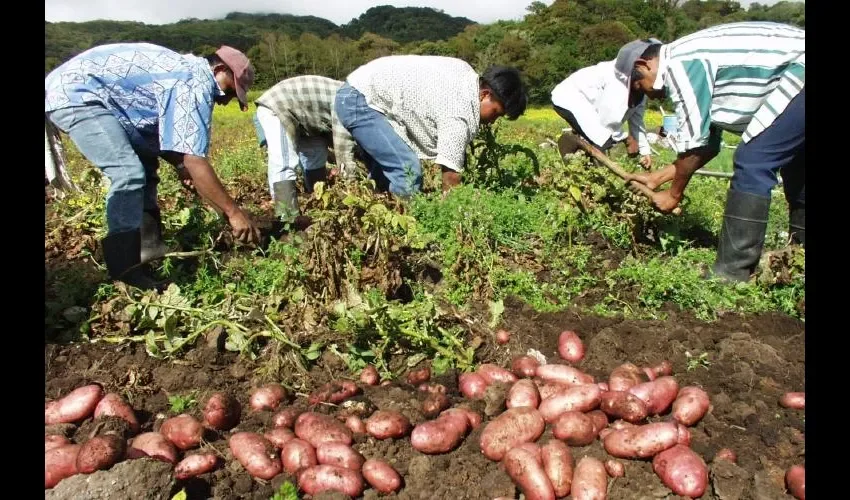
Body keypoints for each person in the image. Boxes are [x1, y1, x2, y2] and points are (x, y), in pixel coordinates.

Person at [45, 43, 262, 291]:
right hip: (78, 94)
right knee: (127, 173)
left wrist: (180, 166)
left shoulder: (185, 74)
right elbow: (194, 158)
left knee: (145, 168)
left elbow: (170, 145)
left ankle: (148, 253)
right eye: (229, 91)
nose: (226, 100)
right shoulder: (193, 81)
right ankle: (125, 272)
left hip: (107, 102)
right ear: (219, 69)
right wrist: (234, 213)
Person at [621, 22, 805, 282]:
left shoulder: (680, 65)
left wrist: (673, 195)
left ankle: (732, 273)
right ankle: (801, 264)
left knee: (753, 162)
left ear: (645, 64)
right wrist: (657, 179)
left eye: (640, 87)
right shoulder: (689, 56)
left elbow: (695, 145)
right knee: (798, 168)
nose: (648, 96)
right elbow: (708, 144)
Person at [334, 55, 528, 197]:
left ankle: (379, 221)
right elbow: (451, 176)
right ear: (485, 94)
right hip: (361, 100)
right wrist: (452, 212)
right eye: (495, 113)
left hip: (360, 93)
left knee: (384, 177)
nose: (493, 121)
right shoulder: (459, 112)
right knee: (407, 172)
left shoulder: (465, 74)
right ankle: (405, 234)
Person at [252, 75, 360, 218]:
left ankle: (317, 201)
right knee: (284, 161)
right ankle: (287, 219)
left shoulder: (353, 100)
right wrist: (352, 189)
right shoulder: (349, 103)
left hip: (308, 119)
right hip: (278, 105)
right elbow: (344, 149)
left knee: (316, 155)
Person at [550, 45, 661, 170]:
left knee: (602, 140)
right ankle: (592, 172)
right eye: (656, 89)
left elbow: (637, 121)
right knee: (602, 140)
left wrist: (645, 150)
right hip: (570, 97)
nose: (656, 95)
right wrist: (627, 139)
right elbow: (607, 121)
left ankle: (586, 170)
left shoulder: (641, 90)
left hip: (590, 107)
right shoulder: (618, 83)